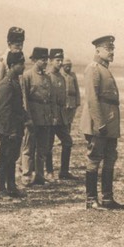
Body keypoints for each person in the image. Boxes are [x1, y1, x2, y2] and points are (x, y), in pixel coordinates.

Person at [80, 35, 124, 210]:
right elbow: (92, 99)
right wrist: (100, 123)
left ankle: (107, 198)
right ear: (98, 50)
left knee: (110, 159)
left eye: (113, 48)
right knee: (94, 159)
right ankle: (91, 199)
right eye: (109, 49)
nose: (112, 52)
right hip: (99, 124)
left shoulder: (104, 69)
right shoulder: (93, 69)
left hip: (110, 123)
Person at [0, 50, 29, 200]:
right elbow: (4, 111)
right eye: (21, 64)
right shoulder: (6, 84)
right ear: (12, 65)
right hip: (9, 130)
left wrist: (26, 119)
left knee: (12, 158)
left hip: (16, 128)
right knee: (4, 159)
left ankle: (11, 187)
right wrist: (9, 131)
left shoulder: (15, 82)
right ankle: (2, 190)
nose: (23, 66)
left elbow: (18, 107)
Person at [21, 47, 53, 186]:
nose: (45, 62)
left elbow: (50, 98)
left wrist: (51, 116)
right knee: (28, 147)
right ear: (34, 60)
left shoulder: (47, 77)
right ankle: (26, 175)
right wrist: (28, 118)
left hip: (45, 118)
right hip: (32, 117)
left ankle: (39, 176)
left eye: (46, 59)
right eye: (42, 59)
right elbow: (24, 99)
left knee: (42, 149)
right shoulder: (27, 76)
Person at [48, 48, 76, 181]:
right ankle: (49, 172)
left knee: (68, 142)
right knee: (48, 144)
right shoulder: (47, 76)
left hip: (61, 116)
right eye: (57, 60)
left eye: (61, 60)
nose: (60, 63)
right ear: (50, 61)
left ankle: (64, 171)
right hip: (49, 116)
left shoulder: (62, 77)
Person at [0, 26, 25, 93]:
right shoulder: (2, 61)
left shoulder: (19, 59)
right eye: (17, 45)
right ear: (9, 44)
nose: (20, 48)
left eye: (21, 45)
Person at [62, 57, 81, 127]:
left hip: (72, 102)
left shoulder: (73, 75)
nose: (68, 67)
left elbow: (77, 88)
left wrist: (78, 101)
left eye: (69, 66)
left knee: (69, 121)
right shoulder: (60, 74)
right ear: (63, 66)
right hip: (64, 102)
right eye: (66, 66)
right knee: (63, 121)